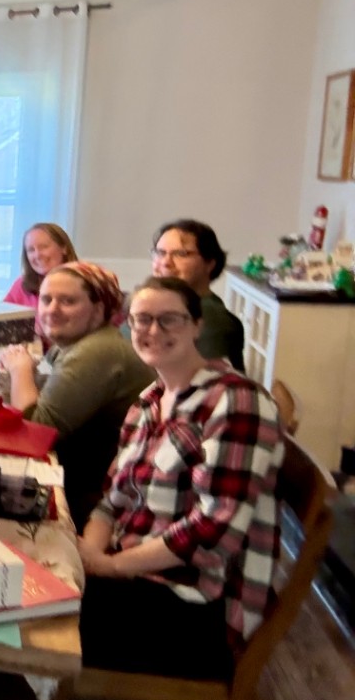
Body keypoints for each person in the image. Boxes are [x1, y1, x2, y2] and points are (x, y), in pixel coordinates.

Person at [78, 277, 284, 679]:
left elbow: (214, 527)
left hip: (195, 607)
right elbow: (110, 501)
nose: (152, 331)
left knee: (31, 613)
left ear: (197, 326)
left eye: (169, 320)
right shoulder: (149, 402)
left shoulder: (237, 401)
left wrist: (110, 568)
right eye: (141, 320)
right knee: (29, 580)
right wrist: (89, 558)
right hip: (135, 575)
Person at [0, 262, 154, 530]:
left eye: (68, 301)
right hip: (76, 479)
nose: (52, 310)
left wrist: (19, 369)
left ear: (99, 309)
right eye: (46, 300)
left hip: (96, 504)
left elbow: (35, 431)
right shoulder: (69, 344)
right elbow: (37, 390)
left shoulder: (97, 351)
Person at [141, 219, 245, 371]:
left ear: (210, 263)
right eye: (160, 253)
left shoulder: (210, 317)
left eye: (181, 254)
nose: (165, 262)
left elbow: (205, 385)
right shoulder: (164, 307)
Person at [3, 222, 77, 309]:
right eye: (31, 250)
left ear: (64, 248)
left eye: (43, 247)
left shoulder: (83, 285)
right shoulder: (22, 284)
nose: (37, 255)